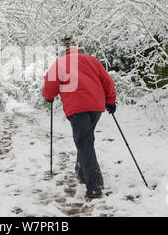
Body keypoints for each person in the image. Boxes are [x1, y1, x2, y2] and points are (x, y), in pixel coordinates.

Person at [42, 36, 116, 198]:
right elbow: (107, 81)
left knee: (84, 142)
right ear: (77, 48)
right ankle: (81, 173)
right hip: (96, 106)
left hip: (77, 108)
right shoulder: (91, 60)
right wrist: (110, 100)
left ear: (63, 50)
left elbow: (49, 87)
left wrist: (48, 97)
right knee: (85, 140)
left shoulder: (59, 64)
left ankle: (95, 185)